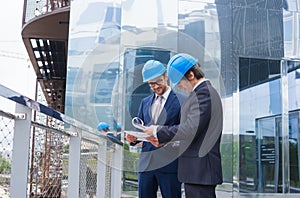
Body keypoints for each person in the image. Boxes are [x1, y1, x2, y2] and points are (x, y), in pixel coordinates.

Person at [144, 53, 223, 198]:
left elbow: (190, 128)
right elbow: (195, 133)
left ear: (191, 75)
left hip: (200, 171)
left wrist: (158, 130)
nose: (179, 87)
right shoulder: (200, 94)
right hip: (196, 172)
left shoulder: (204, 94)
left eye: (180, 82)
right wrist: (168, 142)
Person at [126, 60, 186, 198]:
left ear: (166, 77)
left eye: (158, 81)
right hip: (147, 164)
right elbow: (142, 129)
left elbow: (184, 130)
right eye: (151, 84)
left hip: (169, 164)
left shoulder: (182, 100)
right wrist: (133, 139)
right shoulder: (145, 102)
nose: (155, 86)